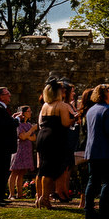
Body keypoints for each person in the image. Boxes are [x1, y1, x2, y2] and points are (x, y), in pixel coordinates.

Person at [35, 78, 73, 210]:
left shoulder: (45, 106)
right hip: (55, 138)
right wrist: (76, 118)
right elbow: (65, 123)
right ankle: (45, 198)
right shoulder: (61, 106)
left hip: (42, 137)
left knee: (43, 168)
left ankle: (40, 197)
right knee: (50, 170)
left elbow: (41, 123)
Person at [83, 84, 109, 219]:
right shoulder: (108, 109)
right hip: (104, 150)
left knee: (93, 182)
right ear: (104, 94)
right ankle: (104, 211)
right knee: (108, 181)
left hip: (92, 149)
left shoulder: (91, 109)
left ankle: (89, 211)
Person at [10, 105, 38, 200]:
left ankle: (20, 193)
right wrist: (31, 131)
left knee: (22, 172)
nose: (30, 113)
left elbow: (34, 138)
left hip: (27, 149)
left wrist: (27, 135)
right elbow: (22, 137)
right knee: (14, 172)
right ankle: (12, 194)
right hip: (19, 149)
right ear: (23, 113)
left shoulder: (29, 124)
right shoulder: (19, 124)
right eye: (28, 111)